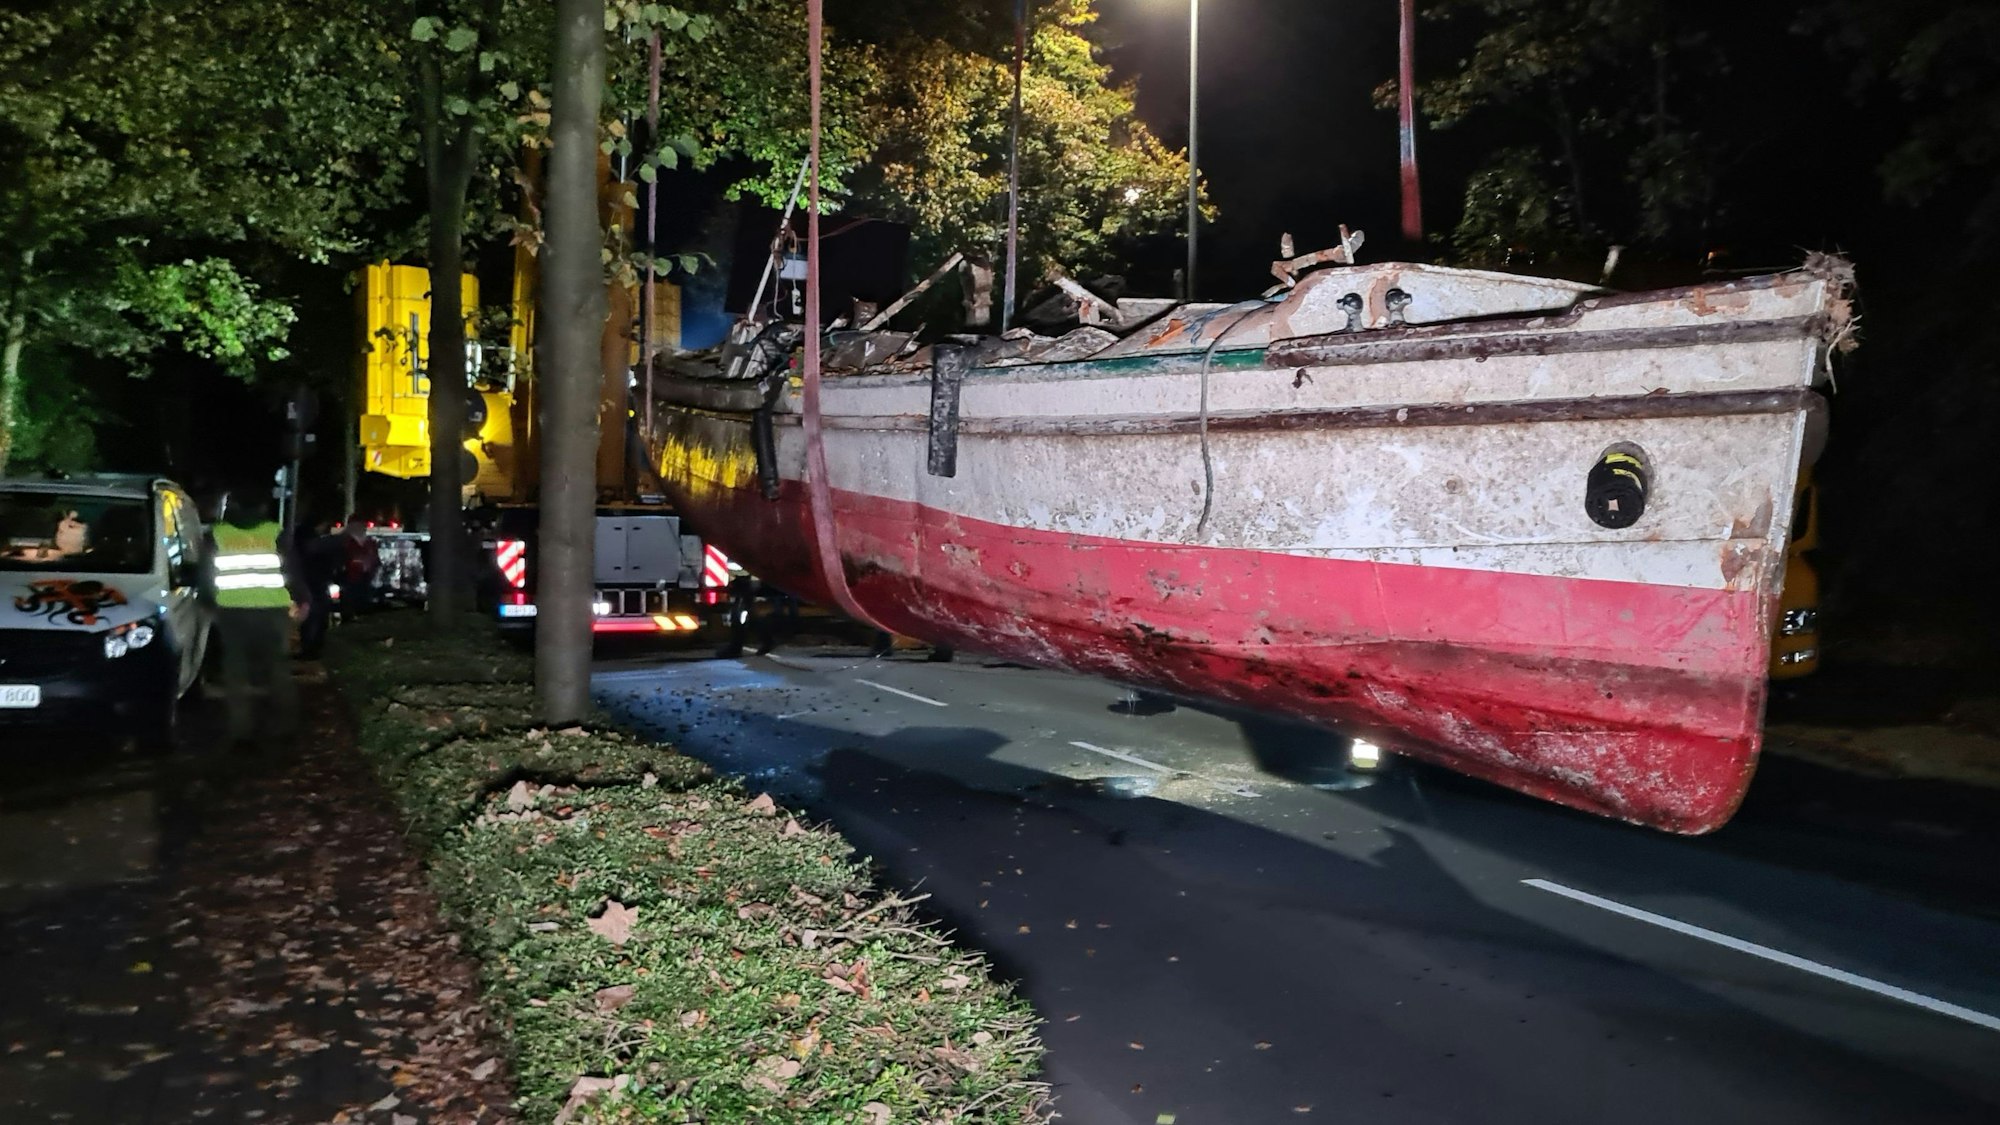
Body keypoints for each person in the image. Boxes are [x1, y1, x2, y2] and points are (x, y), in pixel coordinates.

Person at [209, 491, 298, 746]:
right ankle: (285, 729)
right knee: (278, 669)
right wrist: (300, 598)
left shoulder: (218, 534)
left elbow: (206, 574)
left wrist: (208, 604)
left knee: (236, 673)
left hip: (232, 611)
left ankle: (241, 734)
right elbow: (291, 568)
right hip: (272, 611)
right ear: (261, 506)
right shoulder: (274, 532)